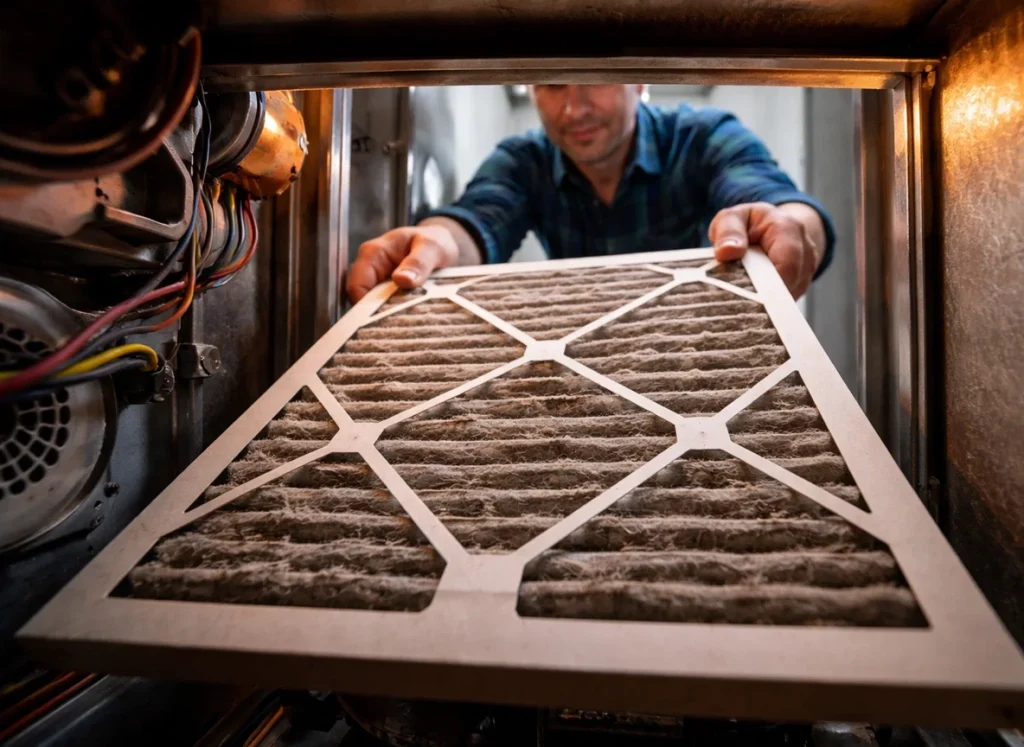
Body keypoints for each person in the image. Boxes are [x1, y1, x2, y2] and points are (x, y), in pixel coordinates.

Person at [346, 84, 834, 303]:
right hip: (587, 363)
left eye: (595, 78)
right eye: (554, 84)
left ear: (638, 80)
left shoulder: (702, 135)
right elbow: (478, 218)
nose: (574, 107)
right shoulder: (523, 159)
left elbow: (771, 200)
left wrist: (790, 226)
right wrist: (433, 243)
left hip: (702, 360)